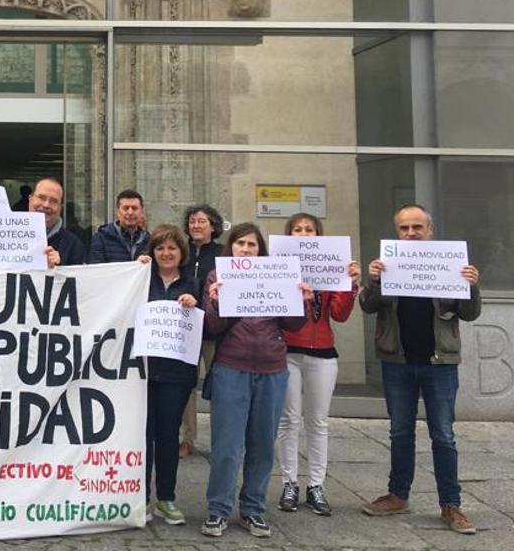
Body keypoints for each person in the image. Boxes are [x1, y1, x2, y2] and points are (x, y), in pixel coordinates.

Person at [359, 204, 482, 535]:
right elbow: (368, 306)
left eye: (417, 227)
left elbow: (469, 314)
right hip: (397, 361)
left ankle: (451, 504)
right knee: (400, 432)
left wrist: (471, 285)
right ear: (397, 232)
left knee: (443, 434)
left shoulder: (451, 265)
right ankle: (398, 495)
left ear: (430, 230)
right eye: (404, 228)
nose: (410, 233)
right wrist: (372, 281)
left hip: (439, 363)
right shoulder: (387, 264)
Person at [201, 223, 312, 539]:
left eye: (251, 244)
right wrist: (215, 301)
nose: (246, 249)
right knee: (226, 445)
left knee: (263, 445)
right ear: (231, 248)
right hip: (230, 368)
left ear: (260, 250)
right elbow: (212, 327)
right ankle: (218, 509)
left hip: (272, 371)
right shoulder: (216, 277)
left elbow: (292, 324)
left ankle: (253, 509)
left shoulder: (278, 276)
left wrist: (302, 300)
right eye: (240, 244)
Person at [276, 213, 359, 517]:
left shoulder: (331, 266)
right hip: (288, 350)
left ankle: (316, 485)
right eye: (297, 229)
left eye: (309, 229)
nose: (303, 233)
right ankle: (289, 482)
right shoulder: (281, 267)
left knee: (318, 421)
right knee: (289, 419)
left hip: (323, 352)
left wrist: (350, 285)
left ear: (318, 235)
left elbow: (340, 314)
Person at [139, 225, 199, 527]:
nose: (166, 253)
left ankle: (166, 497)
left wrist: (194, 303)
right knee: (142, 436)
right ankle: (138, 497)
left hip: (176, 374)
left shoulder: (192, 284)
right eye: (160, 248)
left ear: (181, 253)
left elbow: (204, 324)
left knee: (167, 436)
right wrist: (132, 271)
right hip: (143, 372)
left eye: (171, 248)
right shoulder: (139, 281)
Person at [179, 204, 225, 459]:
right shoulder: (181, 252)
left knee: (220, 386)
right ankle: (188, 438)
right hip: (186, 328)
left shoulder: (223, 254)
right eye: (192, 221)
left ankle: (222, 438)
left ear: (213, 226)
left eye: (202, 221)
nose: (196, 225)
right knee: (187, 387)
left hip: (214, 332)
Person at [28, 177, 86, 266]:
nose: (46, 205)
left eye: (54, 201)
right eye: (42, 198)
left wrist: (59, 267)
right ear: (30, 199)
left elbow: (82, 278)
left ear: (60, 208)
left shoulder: (73, 244)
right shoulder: (5, 236)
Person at [87, 189, 149, 263]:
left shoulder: (149, 240)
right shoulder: (101, 239)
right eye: (126, 208)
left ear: (142, 211)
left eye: (134, 208)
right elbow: (96, 270)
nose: (130, 212)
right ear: (118, 212)